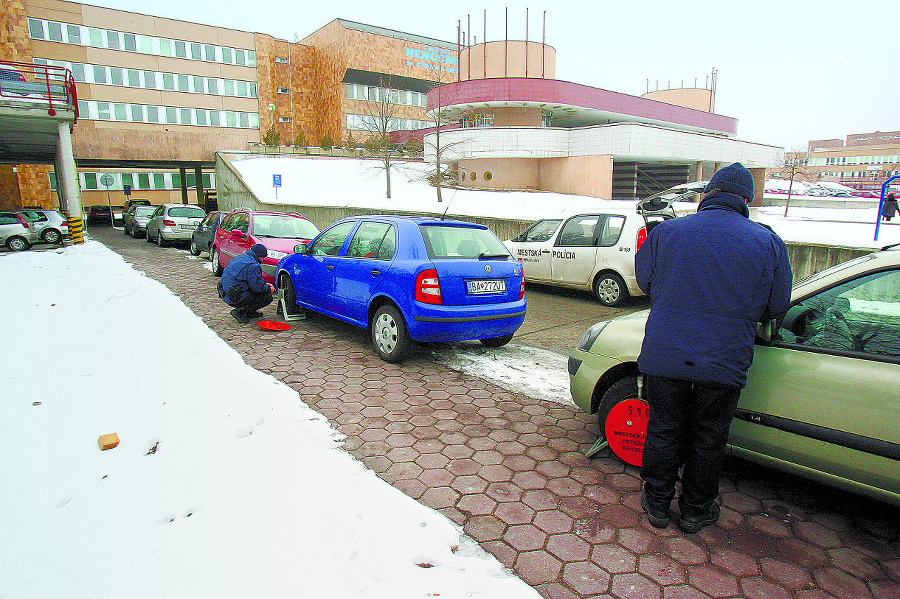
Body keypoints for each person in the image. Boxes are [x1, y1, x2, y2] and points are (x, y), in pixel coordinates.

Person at [634, 163, 793, 534]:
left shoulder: (667, 232)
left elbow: (645, 282)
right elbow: (775, 306)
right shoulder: (767, 241)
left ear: (709, 194)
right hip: (724, 360)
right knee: (709, 437)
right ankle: (695, 511)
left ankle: (656, 504)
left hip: (666, 355)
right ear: (746, 199)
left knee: (663, 429)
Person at [218, 243, 275, 324]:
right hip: (236, 297)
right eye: (264, 257)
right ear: (260, 256)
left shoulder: (239, 258)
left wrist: (265, 283)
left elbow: (251, 279)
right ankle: (240, 312)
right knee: (267, 297)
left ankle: (250, 312)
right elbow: (257, 288)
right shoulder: (253, 265)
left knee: (253, 290)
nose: (263, 260)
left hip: (225, 293)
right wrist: (268, 288)